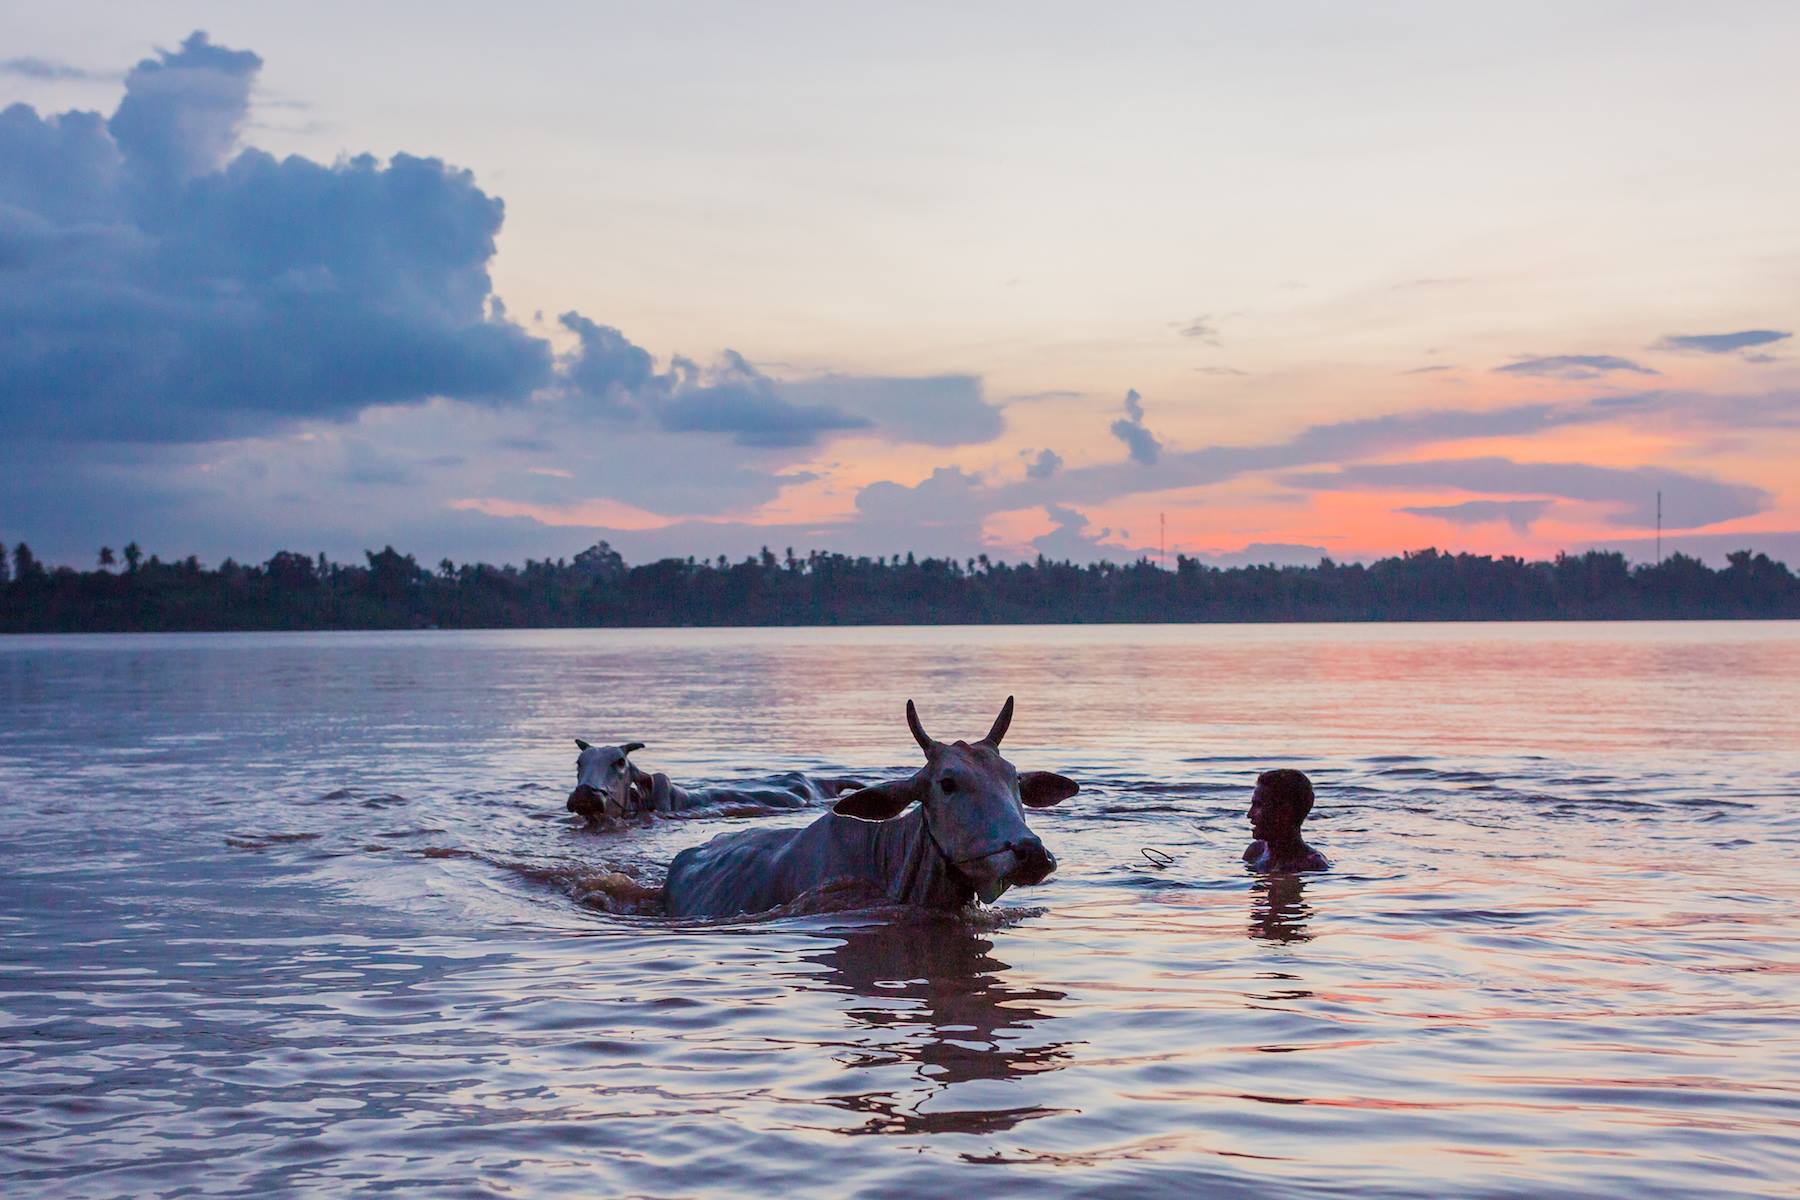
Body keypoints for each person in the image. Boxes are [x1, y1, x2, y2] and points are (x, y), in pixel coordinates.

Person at [1243, 768, 1330, 873]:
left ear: (1285, 812)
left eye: (1259, 805)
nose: (1249, 814)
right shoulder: (1256, 851)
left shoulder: (1309, 864)